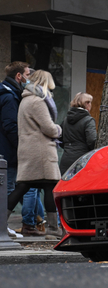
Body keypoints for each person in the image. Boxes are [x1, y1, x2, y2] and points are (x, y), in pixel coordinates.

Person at [6, 70, 63, 237]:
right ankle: (53, 228)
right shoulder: (37, 102)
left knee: (23, 187)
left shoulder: (26, 100)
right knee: (49, 186)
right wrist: (59, 129)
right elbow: (49, 128)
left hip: (29, 149)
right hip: (40, 152)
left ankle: (2, 222)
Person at [0, 61, 43, 237]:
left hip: (7, 150)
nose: (28, 79)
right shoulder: (10, 97)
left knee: (13, 188)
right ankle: (3, 226)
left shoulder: (7, 93)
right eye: (26, 75)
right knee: (9, 189)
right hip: (9, 151)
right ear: (18, 76)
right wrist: (22, 147)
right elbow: (10, 126)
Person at [59, 92, 96, 175]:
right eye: (90, 102)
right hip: (82, 160)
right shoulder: (88, 120)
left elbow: (59, 137)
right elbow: (92, 140)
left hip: (66, 159)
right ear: (87, 104)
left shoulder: (65, 120)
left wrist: (68, 147)